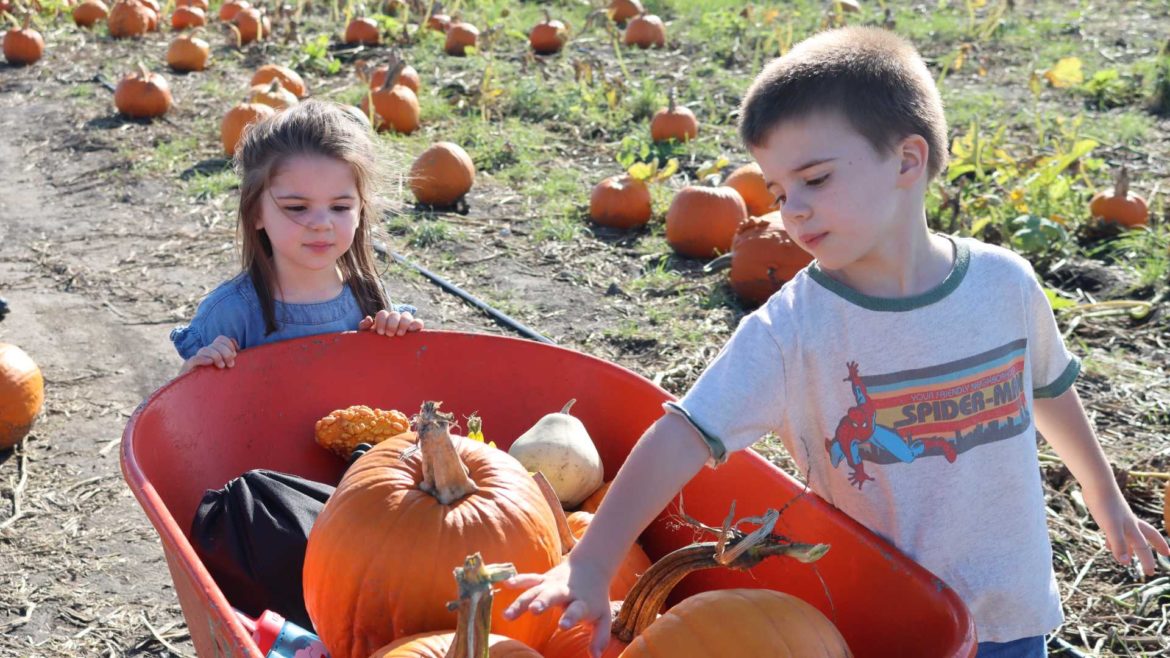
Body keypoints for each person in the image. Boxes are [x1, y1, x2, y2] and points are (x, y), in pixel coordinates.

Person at [502, 26, 1169, 657]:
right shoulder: (795, 329)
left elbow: (1049, 389)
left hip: (1017, 609)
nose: (792, 209)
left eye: (815, 179)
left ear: (908, 160)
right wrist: (591, 559)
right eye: (779, 189)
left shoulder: (1005, 285)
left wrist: (1103, 497)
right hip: (887, 623)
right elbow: (683, 433)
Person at [170, 100, 423, 375]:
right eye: (297, 208)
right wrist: (194, 372)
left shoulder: (370, 298)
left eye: (339, 207)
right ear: (256, 212)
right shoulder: (231, 313)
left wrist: (399, 344)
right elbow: (187, 408)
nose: (320, 224)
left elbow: (390, 389)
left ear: (360, 210)